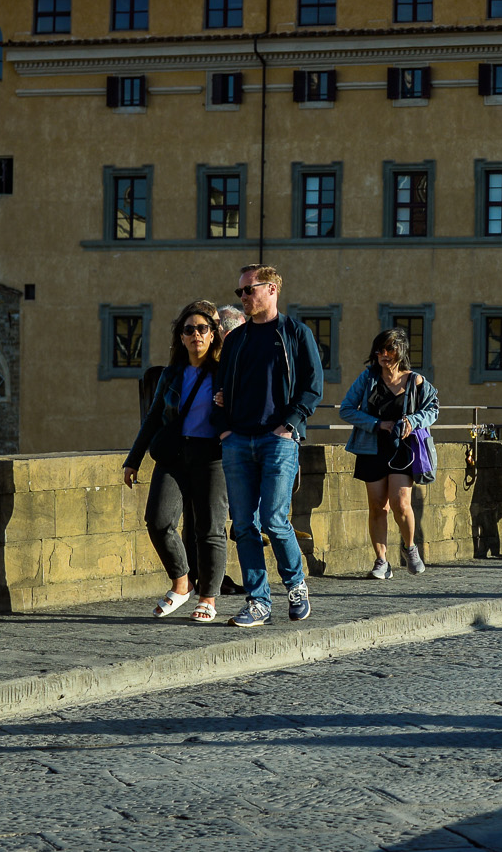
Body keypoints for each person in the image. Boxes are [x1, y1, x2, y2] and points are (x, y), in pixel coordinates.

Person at [217, 266, 324, 626]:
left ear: (272, 289)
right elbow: (218, 393)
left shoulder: (295, 333)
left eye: (249, 290)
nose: (244, 297)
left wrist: (290, 425)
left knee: (274, 520)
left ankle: (296, 585)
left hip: (278, 440)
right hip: (237, 441)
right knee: (243, 524)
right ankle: (258, 600)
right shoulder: (235, 340)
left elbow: (313, 385)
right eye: (241, 292)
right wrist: (224, 431)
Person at [123, 299, 230, 621]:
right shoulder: (171, 374)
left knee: (210, 529)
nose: (195, 334)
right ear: (181, 337)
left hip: (212, 456)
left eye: (202, 328)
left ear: (213, 335)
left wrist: (229, 403)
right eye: (188, 330)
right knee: (158, 521)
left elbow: (249, 411)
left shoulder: (225, 373)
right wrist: (133, 459)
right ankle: (182, 583)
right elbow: (153, 418)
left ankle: (208, 598)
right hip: (173, 454)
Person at [339, 328, 440, 578]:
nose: (383, 355)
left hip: (403, 450)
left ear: (401, 351)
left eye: (389, 349)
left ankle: (410, 547)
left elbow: (434, 409)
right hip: (371, 448)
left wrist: (413, 421)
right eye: (379, 350)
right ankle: (381, 561)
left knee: (400, 504)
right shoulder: (368, 378)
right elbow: (347, 409)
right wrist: (376, 424)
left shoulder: (416, 381)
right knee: (377, 506)